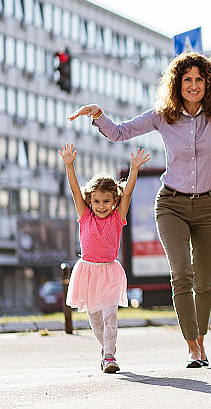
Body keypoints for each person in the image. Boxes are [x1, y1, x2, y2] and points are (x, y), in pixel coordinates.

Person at [68, 25, 211, 367]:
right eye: (187, 80)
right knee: (181, 273)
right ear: (177, 84)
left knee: (205, 277)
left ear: (208, 83)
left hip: (209, 205)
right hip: (171, 204)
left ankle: (202, 339)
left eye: (199, 79)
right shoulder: (162, 117)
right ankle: (192, 346)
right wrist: (98, 115)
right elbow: (120, 132)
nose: (193, 85)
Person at [59, 142, 151, 373]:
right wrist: (69, 165)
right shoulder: (85, 216)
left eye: (106, 201)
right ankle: (106, 347)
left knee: (110, 316)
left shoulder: (118, 217)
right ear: (90, 201)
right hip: (88, 273)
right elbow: (75, 190)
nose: (101, 206)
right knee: (95, 320)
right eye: (97, 201)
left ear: (114, 201)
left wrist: (134, 168)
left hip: (110, 272)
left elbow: (127, 192)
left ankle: (109, 356)